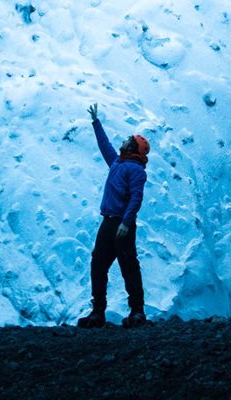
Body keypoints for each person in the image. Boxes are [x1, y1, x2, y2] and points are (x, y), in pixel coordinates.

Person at [77, 103, 150, 329]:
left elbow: (136, 198)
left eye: (130, 141)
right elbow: (104, 145)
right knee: (99, 265)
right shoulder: (118, 163)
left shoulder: (135, 169)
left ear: (136, 149)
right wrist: (96, 122)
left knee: (128, 265)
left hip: (120, 224)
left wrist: (126, 222)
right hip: (109, 222)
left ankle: (136, 311)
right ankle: (98, 312)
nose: (125, 142)